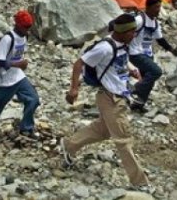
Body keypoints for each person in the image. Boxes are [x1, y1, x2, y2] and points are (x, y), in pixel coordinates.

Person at [61, 13, 150, 188]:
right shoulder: (105, 48)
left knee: (104, 131)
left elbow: (119, 61)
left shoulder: (122, 44)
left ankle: (69, 145)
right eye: (132, 32)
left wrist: (131, 69)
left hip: (119, 96)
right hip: (110, 98)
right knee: (123, 140)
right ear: (123, 32)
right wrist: (74, 89)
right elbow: (79, 63)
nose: (135, 35)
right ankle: (140, 182)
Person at [0, 10, 40, 145]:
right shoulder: (7, 39)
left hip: (18, 77)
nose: (28, 30)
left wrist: (19, 66)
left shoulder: (24, 37)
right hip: (4, 80)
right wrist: (18, 64)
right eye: (26, 27)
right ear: (17, 25)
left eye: (30, 27)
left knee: (33, 99)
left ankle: (26, 128)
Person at [128, 0, 177, 113]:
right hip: (135, 53)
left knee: (148, 80)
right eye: (156, 7)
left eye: (159, 7)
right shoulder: (140, 20)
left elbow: (160, 39)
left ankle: (138, 104)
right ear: (148, 7)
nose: (158, 10)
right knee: (156, 71)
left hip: (147, 54)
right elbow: (127, 33)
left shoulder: (155, 23)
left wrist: (171, 49)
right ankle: (135, 89)